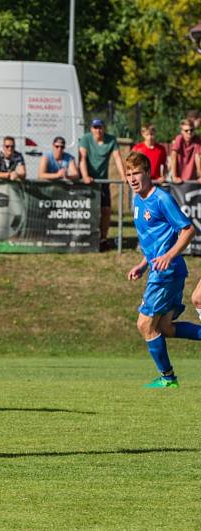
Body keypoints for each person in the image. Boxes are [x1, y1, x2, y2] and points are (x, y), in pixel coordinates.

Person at [124, 151, 201, 388]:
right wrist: (143, 263)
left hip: (167, 272)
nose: (132, 178)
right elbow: (157, 241)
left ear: (148, 173)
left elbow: (188, 230)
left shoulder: (162, 199)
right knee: (165, 328)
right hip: (162, 270)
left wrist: (168, 256)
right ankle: (168, 377)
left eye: (136, 173)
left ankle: (167, 378)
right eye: (128, 174)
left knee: (145, 325)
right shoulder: (137, 199)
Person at [78, 118, 125, 251]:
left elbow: (117, 158)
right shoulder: (85, 139)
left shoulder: (111, 140)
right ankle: (84, 239)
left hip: (103, 181)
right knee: (87, 211)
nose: (97, 130)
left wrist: (123, 175)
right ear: (91, 129)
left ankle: (103, 239)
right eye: (95, 127)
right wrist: (85, 176)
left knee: (106, 211)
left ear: (104, 128)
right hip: (87, 181)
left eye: (100, 127)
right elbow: (82, 159)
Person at [168, 119, 201, 183]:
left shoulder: (197, 139)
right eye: (186, 130)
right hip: (178, 178)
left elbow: (198, 158)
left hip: (192, 179)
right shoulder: (179, 138)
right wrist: (174, 177)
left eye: (191, 130)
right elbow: (173, 156)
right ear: (182, 131)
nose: (189, 132)